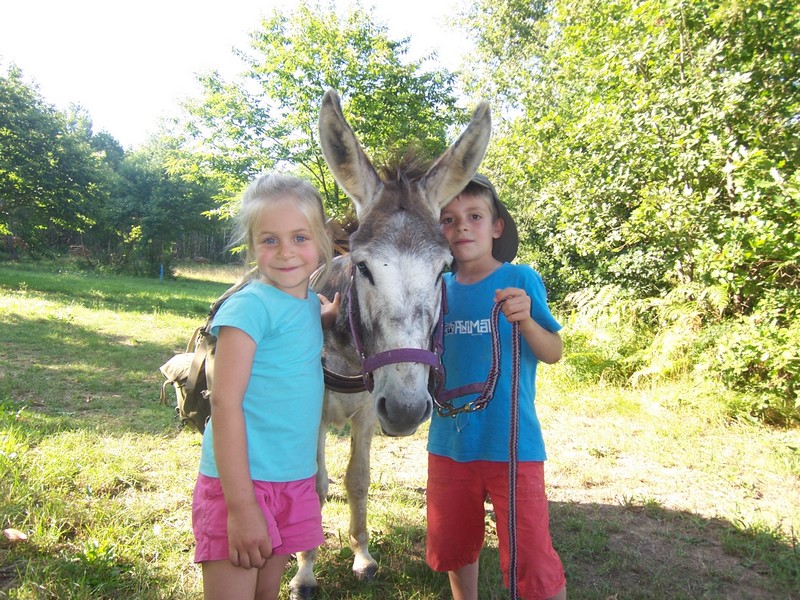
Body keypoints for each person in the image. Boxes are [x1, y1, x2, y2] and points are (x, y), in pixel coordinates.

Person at [192, 173, 339, 600]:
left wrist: (326, 316)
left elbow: (295, 328)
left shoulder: (307, 303)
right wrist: (241, 508)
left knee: (266, 591)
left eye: (299, 237)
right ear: (252, 246)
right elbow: (225, 404)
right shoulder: (248, 308)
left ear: (322, 242)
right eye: (269, 240)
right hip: (243, 483)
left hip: (292, 479)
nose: (286, 252)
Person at [426, 173, 567, 600]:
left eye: (475, 216)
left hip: (512, 443)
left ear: (497, 226)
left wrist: (527, 321)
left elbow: (553, 351)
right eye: (448, 220)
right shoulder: (436, 288)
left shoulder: (519, 279)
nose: (462, 227)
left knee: (531, 554)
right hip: (450, 443)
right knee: (454, 542)